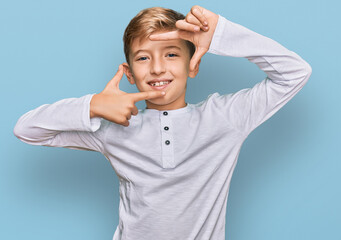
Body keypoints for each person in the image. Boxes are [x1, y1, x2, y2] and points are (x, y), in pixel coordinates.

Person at [13, 5, 312, 240]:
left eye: (171, 54)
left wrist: (221, 33)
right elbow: (27, 129)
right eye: (143, 58)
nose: (157, 68)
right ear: (129, 74)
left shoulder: (225, 118)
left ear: (192, 64)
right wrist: (93, 105)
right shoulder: (113, 128)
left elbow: (295, 73)